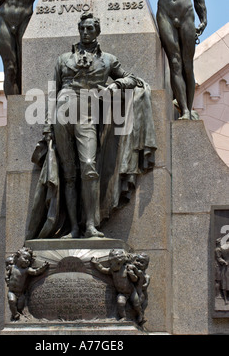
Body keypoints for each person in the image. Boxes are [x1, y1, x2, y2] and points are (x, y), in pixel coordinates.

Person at [27, 13, 156, 240]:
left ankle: (90, 225)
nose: (86, 33)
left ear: (97, 32)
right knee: (68, 174)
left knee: (89, 166)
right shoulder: (63, 59)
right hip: (62, 113)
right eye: (83, 29)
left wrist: (114, 86)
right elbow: (52, 92)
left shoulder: (107, 60)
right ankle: (74, 228)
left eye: (90, 29)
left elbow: (131, 79)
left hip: (87, 113)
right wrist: (47, 125)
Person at [91, 249, 144, 324]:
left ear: (121, 262)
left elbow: (135, 280)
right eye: (112, 263)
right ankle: (124, 317)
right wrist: (96, 264)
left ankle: (140, 314)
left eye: (117, 263)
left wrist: (132, 274)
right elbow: (103, 269)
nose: (114, 265)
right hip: (122, 293)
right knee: (120, 303)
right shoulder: (112, 271)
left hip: (131, 290)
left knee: (136, 304)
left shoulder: (126, 268)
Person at [6, 247, 49, 321]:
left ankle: (19, 314)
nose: (27, 261)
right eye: (25, 258)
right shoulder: (12, 268)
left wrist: (43, 267)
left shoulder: (26, 270)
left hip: (21, 293)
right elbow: (7, 276)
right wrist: (7, 281)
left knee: (20, 306)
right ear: (18, 257)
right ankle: (15, 315)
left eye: (29, 260)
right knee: (12, 301)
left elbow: (36, 272)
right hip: (12, 291)